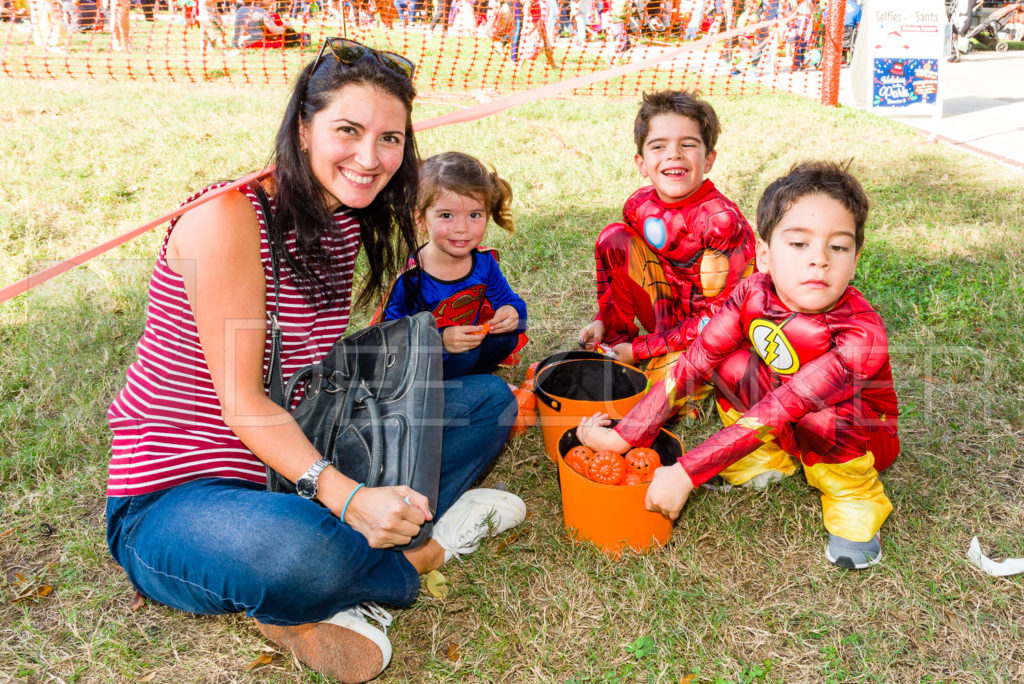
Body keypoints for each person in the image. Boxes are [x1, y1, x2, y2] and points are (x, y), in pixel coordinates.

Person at [105, 38, 526, 684]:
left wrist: (417, 367)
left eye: (390, 138)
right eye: (348, 131)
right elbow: (243, 402)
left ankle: (327, 579)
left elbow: (311, 369)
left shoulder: (343, 221)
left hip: (290, 465)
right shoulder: (226, 218)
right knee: (303, 550)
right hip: (173, 502)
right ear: (303, 129)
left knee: (490, 403)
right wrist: (350, 496)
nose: (370, 157)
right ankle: (418, 554)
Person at [578, 160, 900, 570]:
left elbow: (786, 404)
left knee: (826, 419)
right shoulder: (751, 292)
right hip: (782, 420)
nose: (819, 259)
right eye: (799, 243)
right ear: (764, 254)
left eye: (838, 246)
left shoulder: (861, 334)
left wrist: (687, 472)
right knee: (728, 364)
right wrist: (626, 436)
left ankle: (855, 499)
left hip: (857, 433)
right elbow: (696, 361)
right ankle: (768, 458)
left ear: (855, 260)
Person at [577, 90, 755, 387]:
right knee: (614, 238)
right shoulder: (638, 206)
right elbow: (628, 272)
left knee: (662, 384)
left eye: (688, 144)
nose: (674, 154)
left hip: (716, 330)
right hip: (667, 316)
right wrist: (603, 318)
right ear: (641, 163)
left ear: (709, 159)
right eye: (659, 146)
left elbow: (725, 318)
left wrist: (642, 350)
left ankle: (672, 366)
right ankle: (613, 342)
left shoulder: (721, 222)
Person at [375, 151, 528, 380]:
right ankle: (457, 389)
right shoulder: (412, 278)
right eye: (447, 215)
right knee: (465, 354)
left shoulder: (484, 263)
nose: (462, 228)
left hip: (468, 345)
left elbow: (510, 302)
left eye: (474, 215)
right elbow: (394, 338)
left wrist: (514, 312)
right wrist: (441, 339)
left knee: (507, 338)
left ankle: (475, 379)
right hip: (426, 364)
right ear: (421, 220)